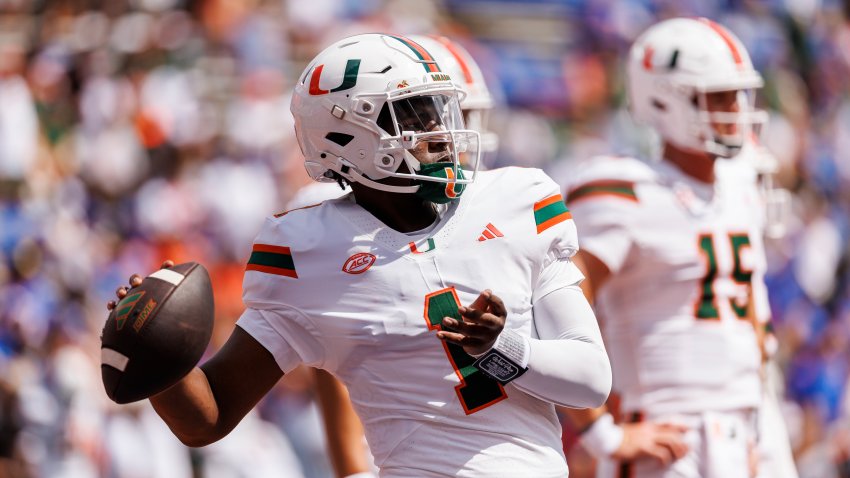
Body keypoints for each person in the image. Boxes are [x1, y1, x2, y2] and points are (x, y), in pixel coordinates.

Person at [108, 33, 611, 477]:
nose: (439, 132)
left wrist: (502, 346)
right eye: (414, 116)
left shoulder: (516, 200)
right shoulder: (309, 251)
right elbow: (209, 416)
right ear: (346, 136)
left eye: (438, 111)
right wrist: (154, 352)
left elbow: (591, 380)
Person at [557, 17, 797, 478]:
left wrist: (759, 424)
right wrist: (600, 432)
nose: (735, 110)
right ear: (663, 99)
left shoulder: (740, 182)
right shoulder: (626, 190)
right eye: (718, 96)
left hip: (746, 420)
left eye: (738, 95)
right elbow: (556, 302)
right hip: (666, 430)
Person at [302, 33, 501, 478]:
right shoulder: (334, 225)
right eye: (424, 113)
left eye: (453, 111)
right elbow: (334, 357)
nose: (447, 133)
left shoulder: (503, 203)